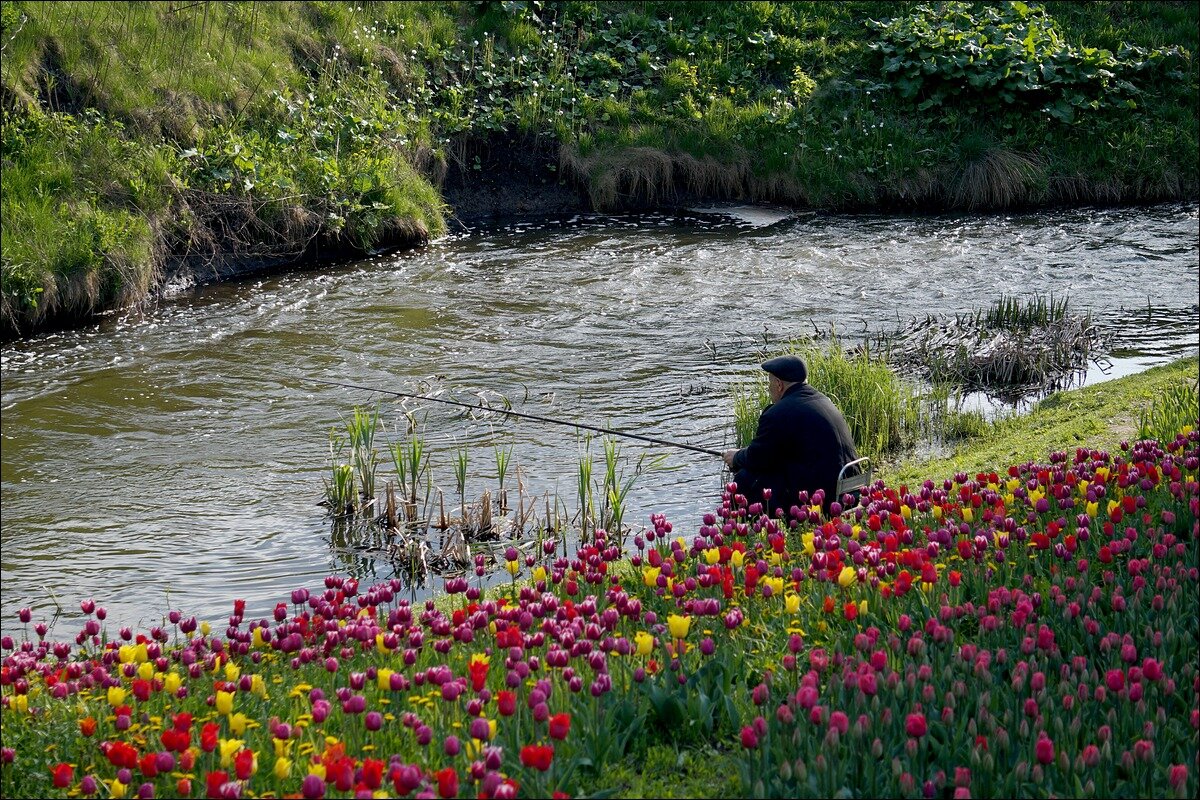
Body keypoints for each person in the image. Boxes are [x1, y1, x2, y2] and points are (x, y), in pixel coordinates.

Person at [722, 355, 858, 515]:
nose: (769, 388)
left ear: (779, 384)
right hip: (852, 489)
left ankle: (736, 535)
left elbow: (757, 459)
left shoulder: (778, 413)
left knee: (744, 479)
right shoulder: (824, 401)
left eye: (770, 383)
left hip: (822, 497)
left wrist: (737, 457)